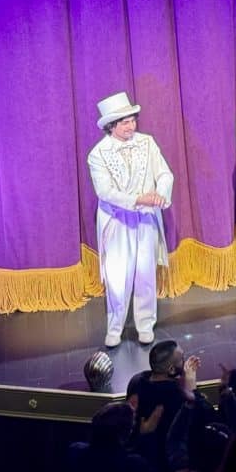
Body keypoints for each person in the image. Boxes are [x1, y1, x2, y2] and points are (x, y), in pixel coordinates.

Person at [88, 92, 174, 348]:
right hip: (117, 220)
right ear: (111, 125)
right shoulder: (98, 154)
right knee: (117, 276)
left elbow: (165, 174)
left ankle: (145, 323)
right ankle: (114, 327)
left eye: (132, 120)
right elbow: (105, 192)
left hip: (145, 218)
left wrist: (160, 194)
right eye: (124, 122)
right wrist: (139, 199)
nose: (131, 126)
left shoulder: (147, 143)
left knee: (145, 272)